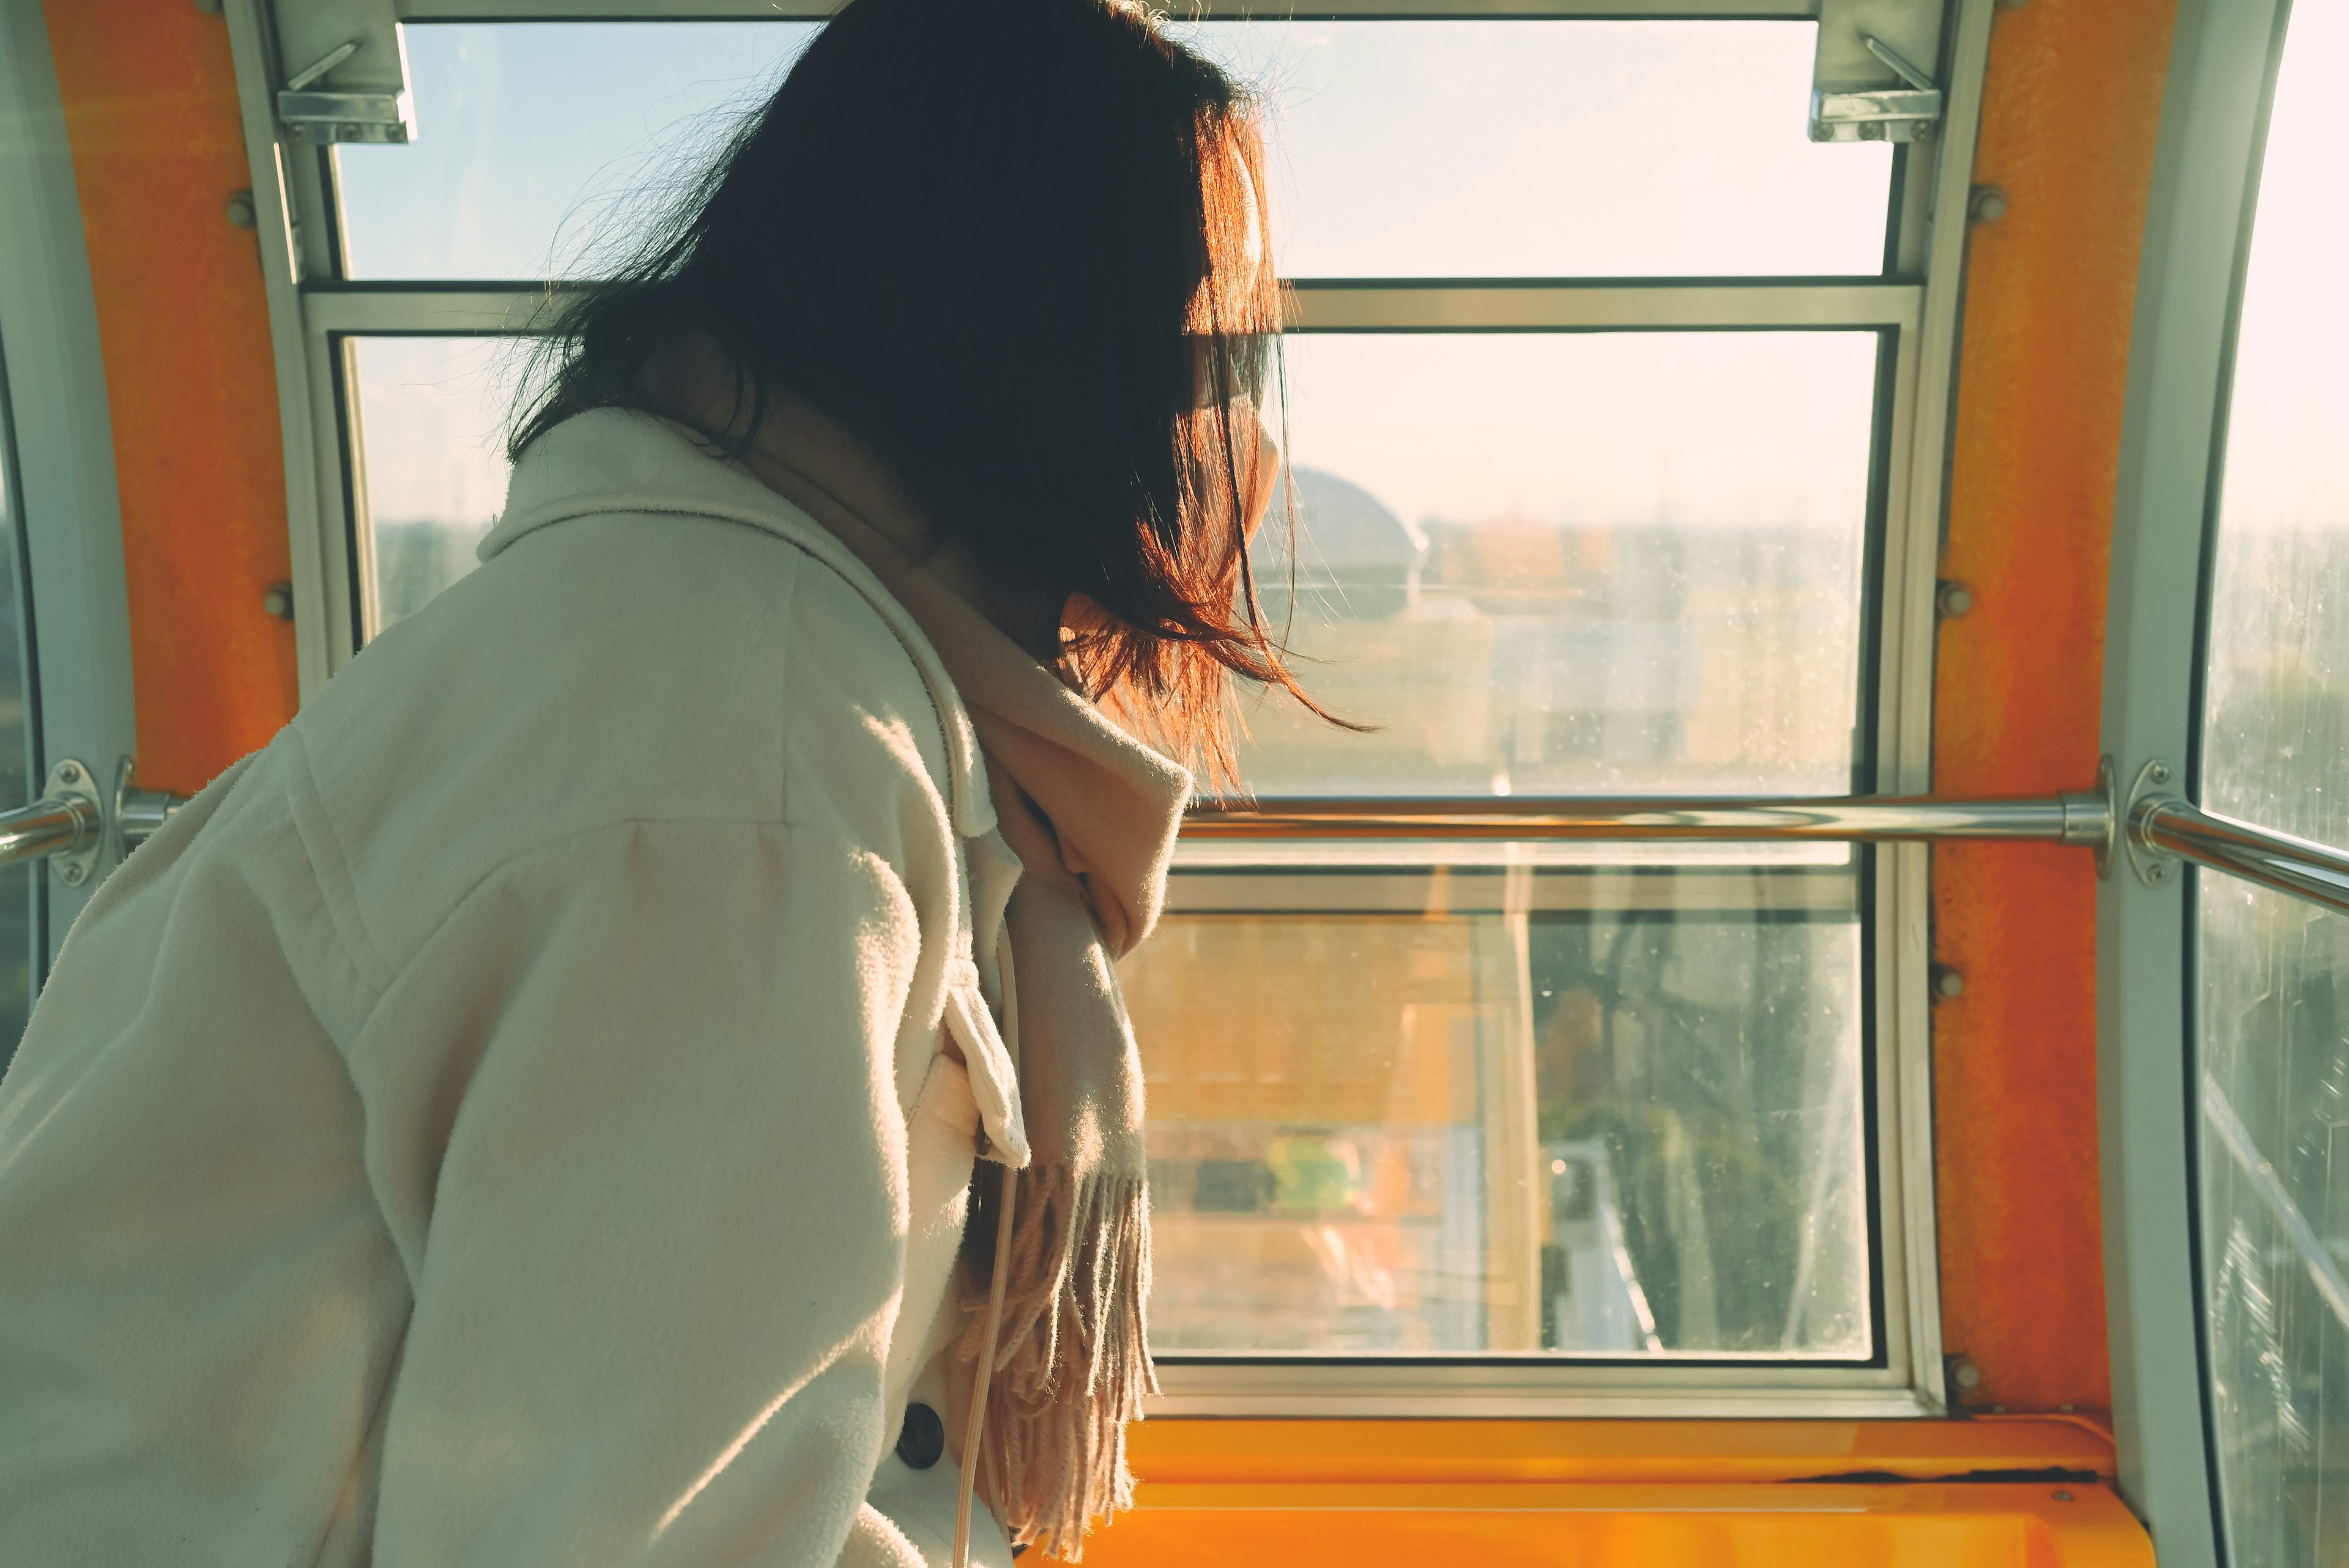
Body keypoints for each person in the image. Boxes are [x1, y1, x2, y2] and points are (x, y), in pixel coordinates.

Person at [0, 1, 1317, 1562]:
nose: (1234, 441)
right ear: (1041, 346)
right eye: (1208, 355)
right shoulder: (747, 787)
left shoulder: (711, 651)